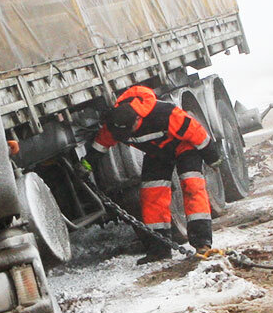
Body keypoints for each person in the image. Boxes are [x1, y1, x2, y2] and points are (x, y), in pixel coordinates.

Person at [90, 85, 221, 264]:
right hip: (157, 153)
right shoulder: (115, 124)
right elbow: (99, 146)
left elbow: (198, 134)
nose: (129, 135)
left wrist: (213, 159)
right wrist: (85, 164)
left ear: (138, 118)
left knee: (192, 185)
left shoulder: (165, 114)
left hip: (184, 147)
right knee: (152, 195)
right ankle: (159, 250)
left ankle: (202, 244)